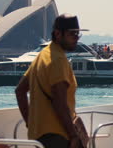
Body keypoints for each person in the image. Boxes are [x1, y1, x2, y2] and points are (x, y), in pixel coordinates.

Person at [15, 14, 87, 148]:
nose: (76, 38)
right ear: (58, 34)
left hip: (39, 137)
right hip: (58, 136)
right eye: (72, 34)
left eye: (78, 34)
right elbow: (59, 103)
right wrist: (73, 135)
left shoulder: (43, 55)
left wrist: (30, 124)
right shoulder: (58, 60)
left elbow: (20, 91)